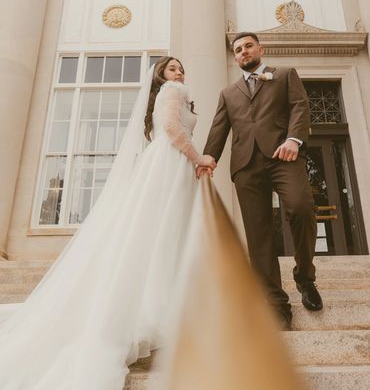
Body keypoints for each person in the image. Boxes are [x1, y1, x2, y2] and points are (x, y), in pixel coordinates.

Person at [0, 57, 215, 390]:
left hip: (170, 164)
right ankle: (159, 314)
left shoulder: (174, 92)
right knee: (166, 234)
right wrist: (197, 157)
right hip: (170, 163)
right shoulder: (173, 90)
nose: (179, 72)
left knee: (164, 234)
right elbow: (172, 129)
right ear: (161, 75)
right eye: (172, 68)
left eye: (181, 68)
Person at [197, 32, 323, 330]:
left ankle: (305, 278)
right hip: (246, 166)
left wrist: (294, 140)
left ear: (260, 49)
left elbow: (300, 107)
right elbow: (219, 129)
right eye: (237, 49)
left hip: (284, 156)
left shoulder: (284, 75)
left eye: (248, 46)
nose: (242, 52)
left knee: (301, 207)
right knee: (258, 233)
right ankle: (275, 302)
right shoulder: (228, 93)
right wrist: (207, 157)